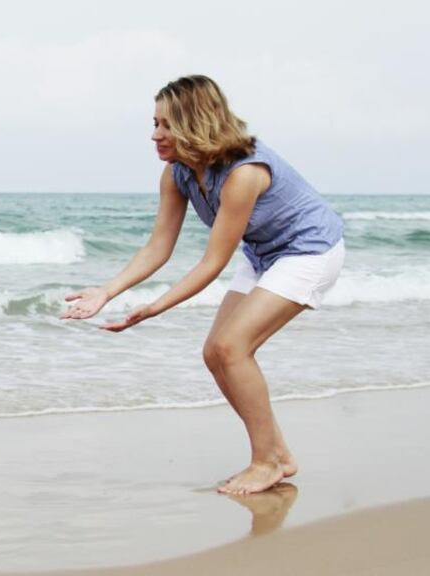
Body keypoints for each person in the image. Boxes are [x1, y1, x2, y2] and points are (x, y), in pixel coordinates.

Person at [61, 75, 344, 495]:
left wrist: (155, 307)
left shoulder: (244, 173)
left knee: (232, 348)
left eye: (165, 124)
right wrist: (108, 290)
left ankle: (265, 462)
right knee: (215, 352)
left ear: (196, 123)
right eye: (154, 122)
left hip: (309, 250)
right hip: (263, 254)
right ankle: (278, 454)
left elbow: (212, 263)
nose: (154, 134)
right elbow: (159, 246)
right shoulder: (177, 174)